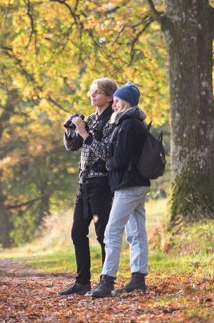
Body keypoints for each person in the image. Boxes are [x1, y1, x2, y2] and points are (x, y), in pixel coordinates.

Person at [90, 83, 151, 298]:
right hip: (136, 183)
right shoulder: (133, 123)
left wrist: (108, 164)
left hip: (129, 184)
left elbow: (121, 158)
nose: (113, 104)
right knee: (135, 232)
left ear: (125, 103)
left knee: (112, 231)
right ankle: (138, 278)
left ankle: (107, 281)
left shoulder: (128, 125)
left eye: (116, 101)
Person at [59, 78, 119, 296]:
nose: (92, 96)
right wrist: (70, 131)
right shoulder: (91, 118)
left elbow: (107, 153)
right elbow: (72, 147)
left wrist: (85, 133)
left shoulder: (113, 121)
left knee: (102, 234)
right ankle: (82, 282)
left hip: (101, 183)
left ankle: (106, 281)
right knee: (77, 232)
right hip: (84, 183)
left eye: (97, 93)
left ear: (110, 97)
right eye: (91, 92)